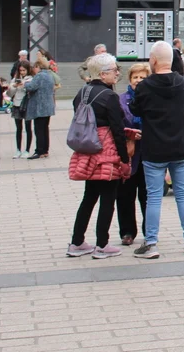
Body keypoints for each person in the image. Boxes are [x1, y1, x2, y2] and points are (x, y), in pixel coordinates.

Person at [131, 41, 184, 259]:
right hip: (180, 147)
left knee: (153, 197)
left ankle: (151, 243)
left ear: (153, 60)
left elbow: (136, 110)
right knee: (182, 194)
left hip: (153, 148)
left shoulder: (144, 86)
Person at [66, 53, 132, 259]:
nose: (117, 73)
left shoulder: (82, 92)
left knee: (89, 197)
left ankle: (77, 242)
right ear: (103, 74)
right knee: (108, 198)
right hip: (107, 150)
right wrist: (124, 159)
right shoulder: (109, 96)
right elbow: (118, 130)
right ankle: (102, 244)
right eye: (114, 70)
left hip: (87, 150)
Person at [117, 63, 150, 245]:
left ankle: (149, 231)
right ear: (130, 80)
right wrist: (129, 134)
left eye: (142, 77)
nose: (138, 81)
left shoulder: (153, 98)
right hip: (128, 155)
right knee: (125, 195)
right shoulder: (121, 100)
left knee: (147, 196)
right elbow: (118, 123)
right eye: (135, 77)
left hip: (148, 153)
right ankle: (127, 232)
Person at [24, 57, 57, 160]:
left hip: (40, 107)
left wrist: (25, 83)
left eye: (34, 67)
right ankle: (45, 150)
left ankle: (39, 151)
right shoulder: (49, 75)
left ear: (38, 66)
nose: (33, 69)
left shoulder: (39, 76)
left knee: (39, 130)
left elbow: (31, 87)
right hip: (48, 106)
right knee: (45, 129)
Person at [8, 61, 34, 158]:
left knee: (28, 127)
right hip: (17, 104)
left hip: (27, 105)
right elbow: (9, 93)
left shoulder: (31, 78)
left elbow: (31, 90)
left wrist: (24, 86)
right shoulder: (15, 79)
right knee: (18, 128)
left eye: (24, 70)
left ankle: (27, 150)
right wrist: (13, 86)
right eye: (20, 70)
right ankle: (18, 150)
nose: (22, 72)